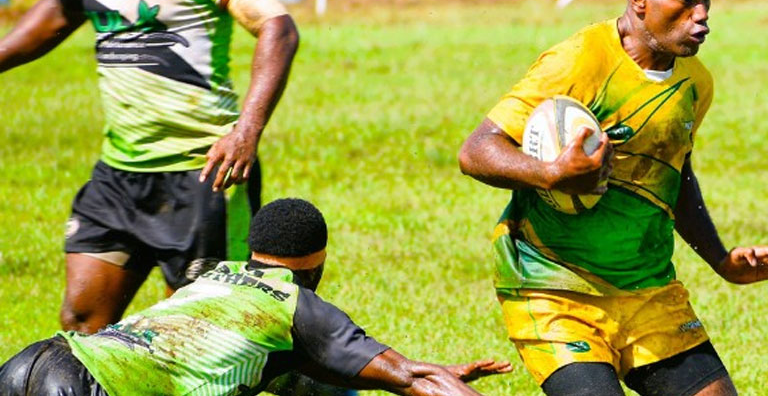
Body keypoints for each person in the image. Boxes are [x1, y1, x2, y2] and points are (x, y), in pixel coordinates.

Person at [458, 0, 768, 396]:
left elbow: (675, 175)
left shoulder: (694, 83)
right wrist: (552, 175)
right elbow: (476, 150)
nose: (702, 15)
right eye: (686, 0)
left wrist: (721, 259)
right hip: (554, 289)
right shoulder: (580, 61)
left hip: (647, 290)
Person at [0, 0, 300, 333]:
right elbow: (60, 12)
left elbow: (278, 27)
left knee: (203, 333)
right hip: (119, 174)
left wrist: (246, 131)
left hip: (203, 171)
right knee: (81, 320)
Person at [0, 198, 512, 396]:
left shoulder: (214, 279)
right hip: (97, 387)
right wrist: (429, 378)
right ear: (318, 265)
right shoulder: (299, 308)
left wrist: (424, 374)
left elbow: (296, 376)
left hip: (37, 360)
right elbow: (414, 379)